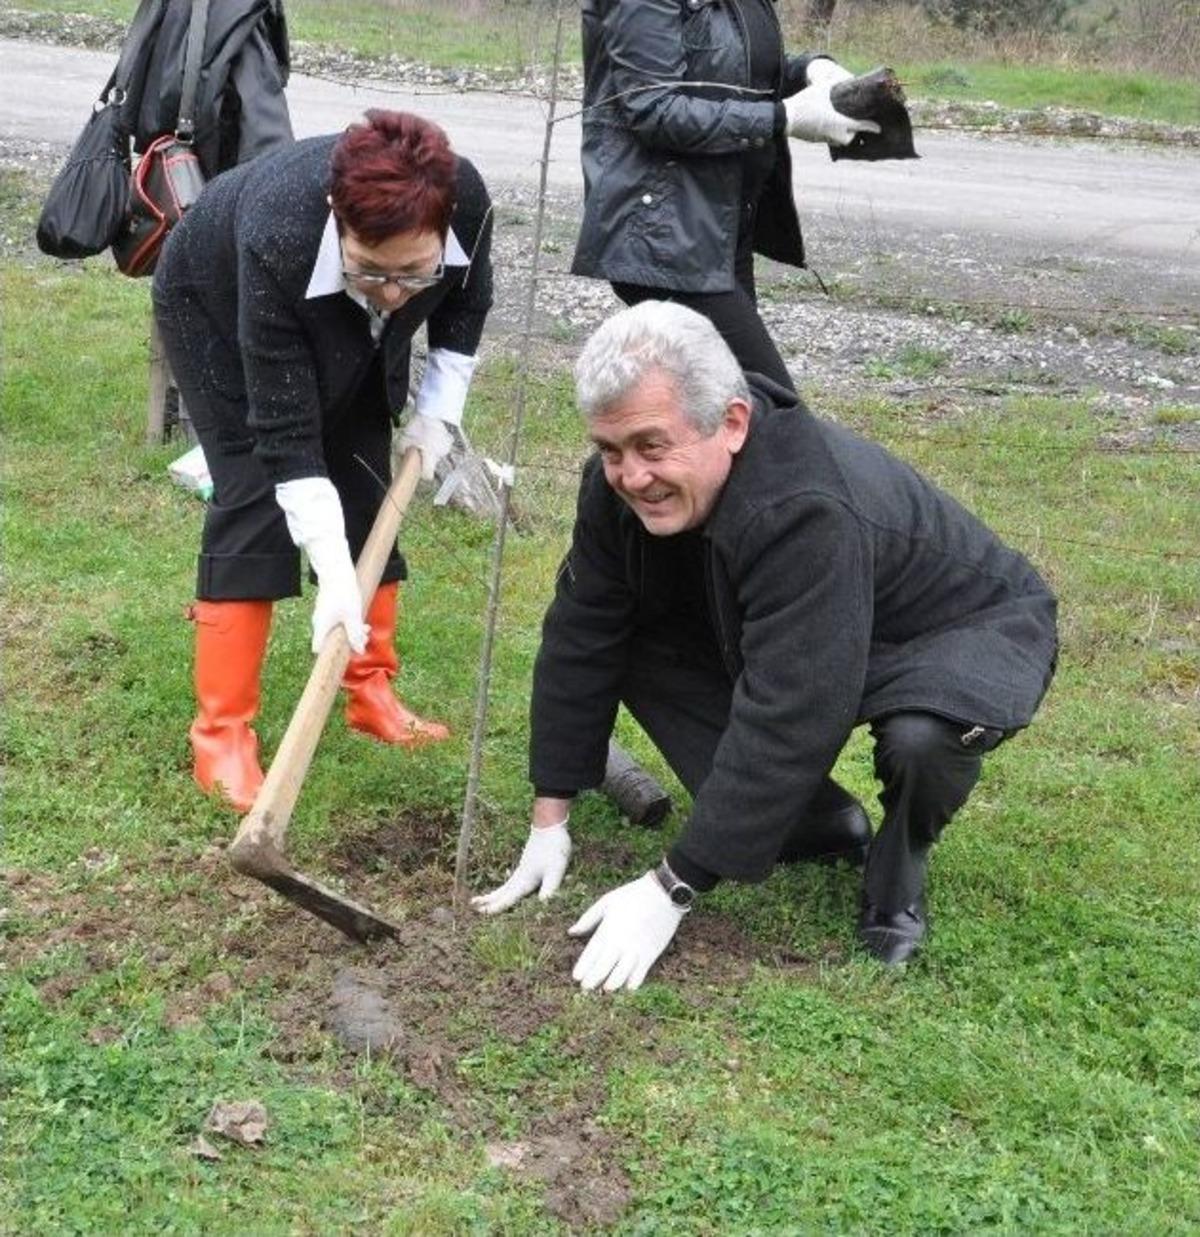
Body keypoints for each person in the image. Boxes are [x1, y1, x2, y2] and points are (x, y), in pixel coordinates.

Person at [473, 302, 1057, 990]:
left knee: (923, 738)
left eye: (653, 446)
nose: (632, 476)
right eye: (611, 450)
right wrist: (551, 814)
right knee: (631, 638)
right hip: (805, 618)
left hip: (955, 626)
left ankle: (897, 869)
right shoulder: (616, 493)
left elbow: (794, 703)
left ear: (733, 422)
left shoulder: (804, 508)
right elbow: (583, 631)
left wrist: (672, 886)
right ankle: (816, 822)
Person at [153, 109, 493, 812]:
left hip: (328, 280)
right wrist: (335, 575)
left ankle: (369, 690)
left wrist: (438, 410)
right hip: (213, 299)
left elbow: (465, 301)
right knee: (254, 486)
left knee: (365, 460)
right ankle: (221, 736)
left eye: (413, 271)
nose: (397, 293)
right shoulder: (279, 231)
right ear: (339, 217)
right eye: (376, 270)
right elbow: (286, 434)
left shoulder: (466, 201)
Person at [570, 0, 880, 391]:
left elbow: (732, 69)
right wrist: (782, 118)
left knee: (715, 409)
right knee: (767, 404)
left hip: (718, 228)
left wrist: (809, 70)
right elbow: (655, 109)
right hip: (664, 235)